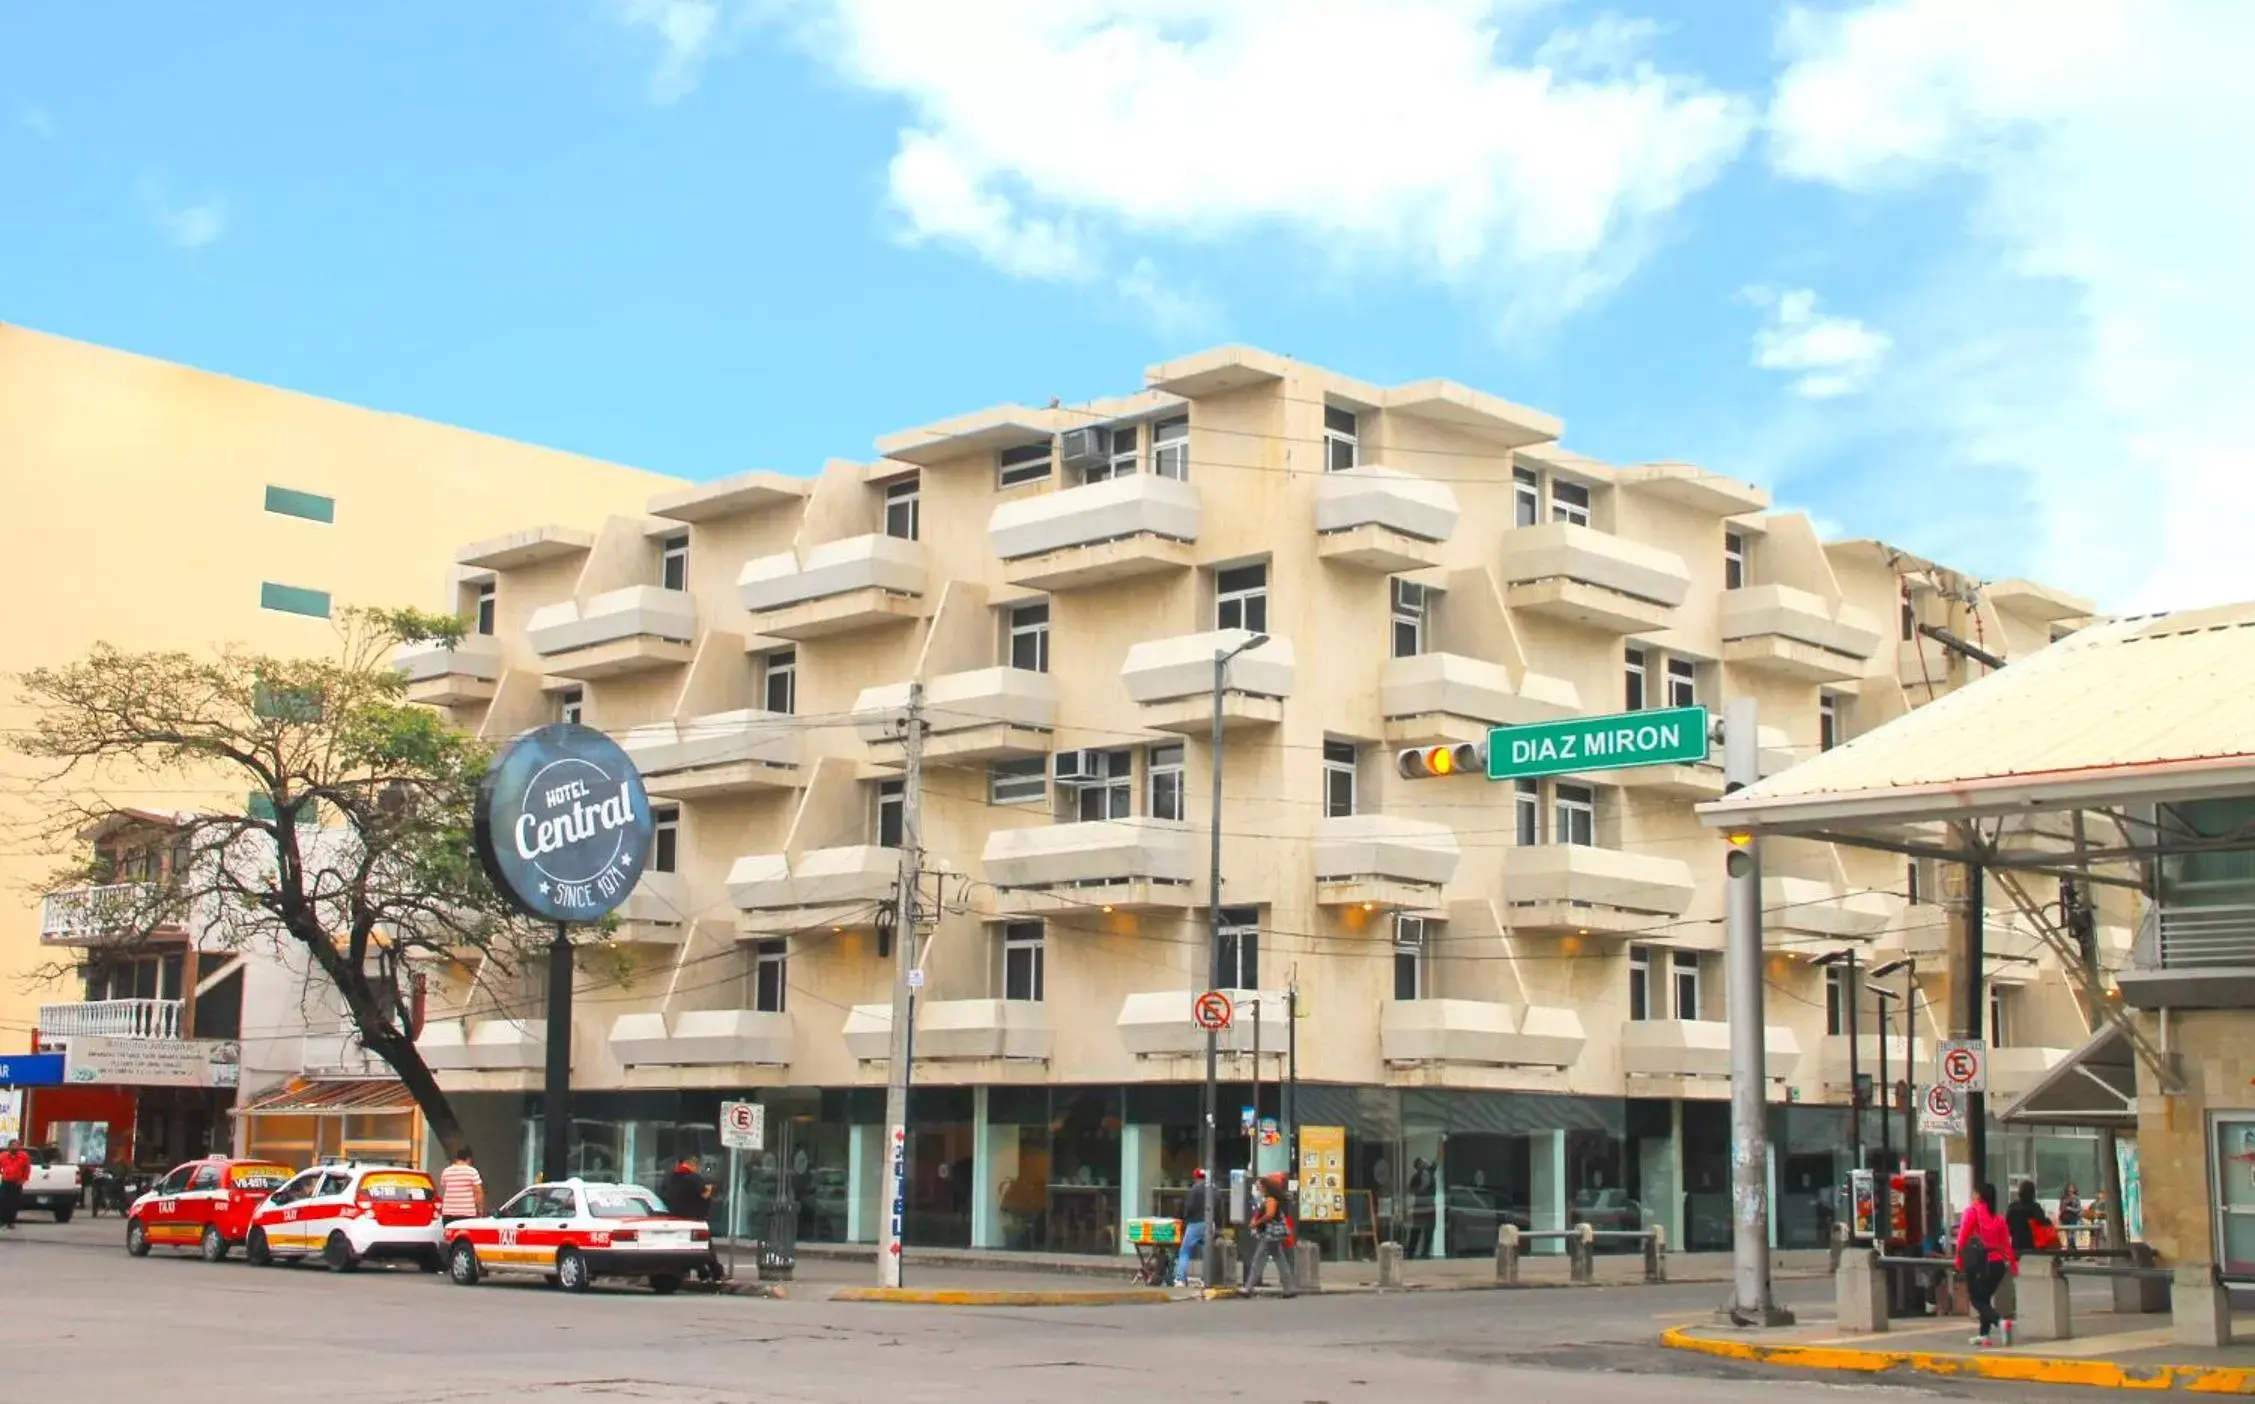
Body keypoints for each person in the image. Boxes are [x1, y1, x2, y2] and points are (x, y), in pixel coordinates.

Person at [1955, 1182, 2020, 1347]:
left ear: (1979, 1195)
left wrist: (1959, 1258)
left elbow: (1962, 1237)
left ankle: (2000, 1323)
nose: (1972, 1196)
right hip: (1998, 1265)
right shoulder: (1998, 1219)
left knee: (1977, 1300)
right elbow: (2006, 1245)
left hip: (1980, 1264)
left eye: (1974, 1192)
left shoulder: (1972, 1212)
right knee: (1984, 1299)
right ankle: (1984, 1335)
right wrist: (2012, 1264)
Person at [661, 1156, 721, 1283]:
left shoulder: (671, 1177)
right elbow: (704, 1194)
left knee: (683, 1246)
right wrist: (710, 1188)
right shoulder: (693, 1178)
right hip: (694, 1218)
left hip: (675, 1217)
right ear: (693, 1165)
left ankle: (697, 1273)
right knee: (704, 1246)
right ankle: (715, 1273)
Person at [1240, 1172, 1299, 1299]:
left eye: (1259, 1186)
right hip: (1274, 1235)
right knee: (1280, 1261)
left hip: (1270, 1235)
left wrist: (1256, 1222)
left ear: (1265, 1187)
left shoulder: (1270, 1199)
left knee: (1258, 1260)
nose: (1258, 1189)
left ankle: (1248, 1288)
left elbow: (1270, 1214)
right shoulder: (1272, 1198)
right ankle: (1289, 1288)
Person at [1175, 1169, 1209, 1287]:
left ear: (1195, 1178)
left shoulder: (1194, 1190)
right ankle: (1207, 1279)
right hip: (1209, 1223)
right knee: (1208, 1252)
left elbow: (1188, 1207)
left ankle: (1181, 1279)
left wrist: (1185, 1218)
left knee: (1184, 1251)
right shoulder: (1213, 1189)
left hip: (1195, 1223)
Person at [437, 1146, 485, 1225]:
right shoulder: (472, 1171)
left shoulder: (446, 1171)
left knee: (450, 1236)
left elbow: (445, 1186)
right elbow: (479, 1192)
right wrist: (480, 1210)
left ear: (457, 1159)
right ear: (469, 1159)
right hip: (467, 1214)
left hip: (448, 1214)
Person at [2004, 1179, 2052, 1255]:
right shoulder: (2035, 1207)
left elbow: (2007, 1224)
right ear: (2032, 1193)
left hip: (2017, 1244)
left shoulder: (2012, 1206)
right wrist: (2049, 1221)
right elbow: (2042, 1222)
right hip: (2032, 1244)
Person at [1406, 1159, 1437, 1258]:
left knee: (1421, 1232)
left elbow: (1411, 1190)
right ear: (1419, 1165)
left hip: (1422, 1207)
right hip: (1426, 1207)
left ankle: (1414, 1253)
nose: (1426, 1162)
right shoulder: (1421, 1175)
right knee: (1422, 1232)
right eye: (1423, 1161)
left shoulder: (1427, 1173)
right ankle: (1420, 1253)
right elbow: (1411, 1190)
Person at [0, 1140, 30, 1230]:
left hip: (17, 1182)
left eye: (17, 1145)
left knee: (14, 1203)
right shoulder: (3, 1156)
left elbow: (27, 1169)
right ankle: (2, 1220)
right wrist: (2, 1173)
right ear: (9, 1146)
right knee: (3, 1202)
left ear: (19, 1147)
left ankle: (11, 1221)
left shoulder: (23, 1156)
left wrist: (24, 1179)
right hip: (5, 1182)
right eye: (13, 1145)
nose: (15, 1147)